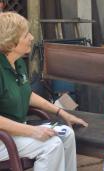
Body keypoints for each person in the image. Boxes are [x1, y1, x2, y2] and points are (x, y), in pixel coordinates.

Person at [0, 12, 88, 171]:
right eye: (26, 34)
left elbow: (26, 94)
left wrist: (61, 112)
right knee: (51, 145)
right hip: (3, 138)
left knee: (66, 134)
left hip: (16, 131)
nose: (32, 37)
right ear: (11, 42)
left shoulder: (17, 62)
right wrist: (32, 131)